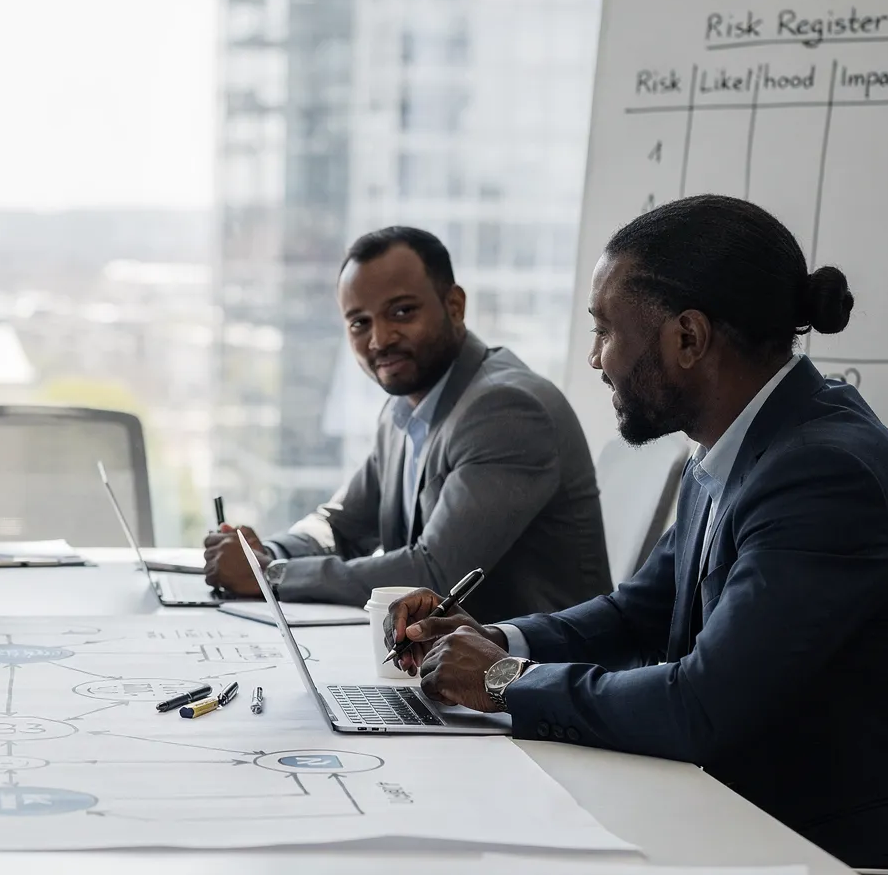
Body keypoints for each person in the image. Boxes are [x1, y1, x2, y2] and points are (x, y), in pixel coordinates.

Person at [389, 194, 888, 875]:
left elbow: (701, 704)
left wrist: (505, 680)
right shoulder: (735, 448)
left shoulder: (822, 472)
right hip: (766, 814)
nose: (596, 359)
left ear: (688, 337)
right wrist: (493, 636)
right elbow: (638, 613)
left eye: (605, 329)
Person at [203, 225, 612, 616]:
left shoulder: (506, 409)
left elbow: (434, 575)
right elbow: (340, 526)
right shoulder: (405, 408)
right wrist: (268, 554)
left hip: (534, 674)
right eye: (360, 322)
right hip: (450, 662)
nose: (379, 339)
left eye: (401, 312)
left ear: (454, 306)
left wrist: (269, 575)